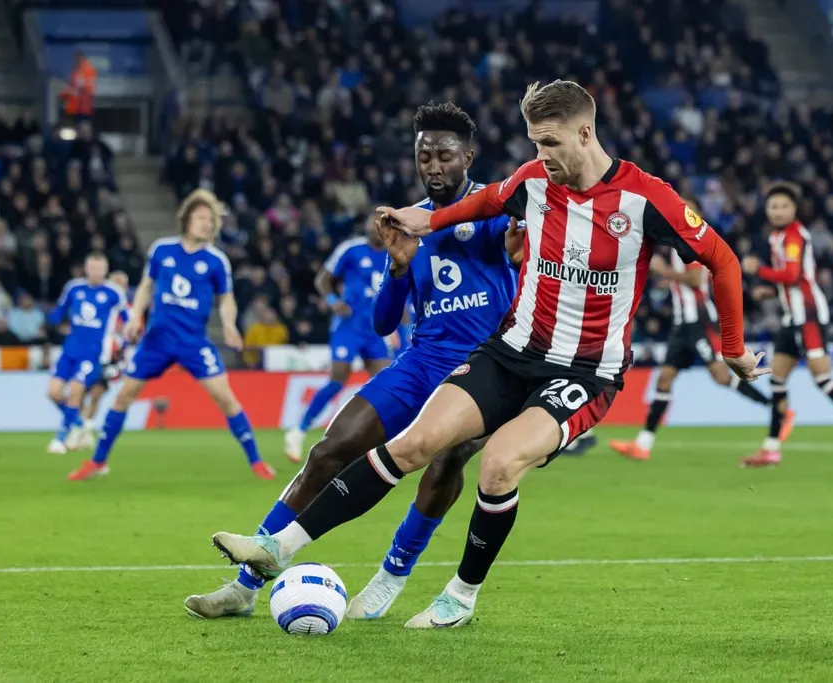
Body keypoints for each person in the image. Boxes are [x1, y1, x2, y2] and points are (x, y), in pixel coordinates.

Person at [211, 80, 765, 629]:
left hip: (586, 371)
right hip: (509, 351)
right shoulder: (529, 182)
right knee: (416, 443)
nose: (539, 156)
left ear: (586, 132)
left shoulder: (647, 200)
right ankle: (276, 548)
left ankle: (460, 595)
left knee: (498, 466)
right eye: (533, 143)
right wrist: (404, 222)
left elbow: (722, 261)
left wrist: (733, 348)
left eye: (549, 142)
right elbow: (452, 211)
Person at [185, 102, 523, 620]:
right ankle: (244, 585)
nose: (433, 166)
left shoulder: (495, 211)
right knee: (329, 450)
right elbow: (384, 324)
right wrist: (398, 265)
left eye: (445, 156)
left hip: (481, 366)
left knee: (447, 460)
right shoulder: (407, 224)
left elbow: (523, 270)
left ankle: (392, 574)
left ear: (468, 157)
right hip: (419, 361)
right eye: (424, 156)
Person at [67, 189, 274, 481]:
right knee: (124, 395)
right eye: (200, 217)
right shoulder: (162, 250)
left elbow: (226, 299)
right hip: (157, 340)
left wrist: (229, 324)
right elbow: (146, 287)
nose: (206, 223)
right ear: (187, 220)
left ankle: (256, 462)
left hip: (193, 342)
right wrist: (136, 315)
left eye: (210, 219)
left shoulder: (216, 261)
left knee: (225, 398)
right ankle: (98, 462)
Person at [610, 218, 793, 461]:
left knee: (720, 375)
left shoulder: (692, 245)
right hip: (680, 324)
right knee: (664, 379)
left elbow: (696, 279)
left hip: (698, 322)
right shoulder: (673, 247)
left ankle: (777, 410)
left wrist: (664, 271)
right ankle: (643, 444)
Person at [741, 184, 833, 469]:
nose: (778, 211)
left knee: (822, 378)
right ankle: (771, 449)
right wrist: (771, 291)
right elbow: (797, 277)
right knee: (777, 381)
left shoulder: (794, 235)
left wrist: (760, 271)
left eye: (784, 206)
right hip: (791, 317)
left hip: (808, 315)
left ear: (795, 209)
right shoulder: (777, 237)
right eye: (773, 206)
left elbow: (793, 275)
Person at [282, 219, 391, 463]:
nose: (376, 227)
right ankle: (299, 429)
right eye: (373, 222)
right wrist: (333, 301)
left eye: (383, 223)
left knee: (384, 384)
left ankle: (372, 439)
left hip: (376, 329)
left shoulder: (394, 253)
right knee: (338, 378)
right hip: (348, 326)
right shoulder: (351, 250)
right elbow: (322, 279)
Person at [44, 253, 126, 455]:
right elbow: (59, 312)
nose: (96, 272)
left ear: (106, 270)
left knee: (76, 390)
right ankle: (79, 423)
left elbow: (128, 318)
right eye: (92, 267)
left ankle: (60, 438)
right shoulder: (74, 288)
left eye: (100, 268)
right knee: (53, 393)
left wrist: (126, 338)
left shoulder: (113, 292)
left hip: (94, 354)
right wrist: (48, 321)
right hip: (69, 350)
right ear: (86, 268)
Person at [72, 270, 132, 452]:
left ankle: (87, 428)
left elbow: (133, 333)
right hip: (92, 353)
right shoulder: (100, 302)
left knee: (97, 393)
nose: (118, 286)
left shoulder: (128, 309)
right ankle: (79, 426)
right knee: (81, 392)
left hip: (113, 357)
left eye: (122, 283)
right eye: (115, 282)